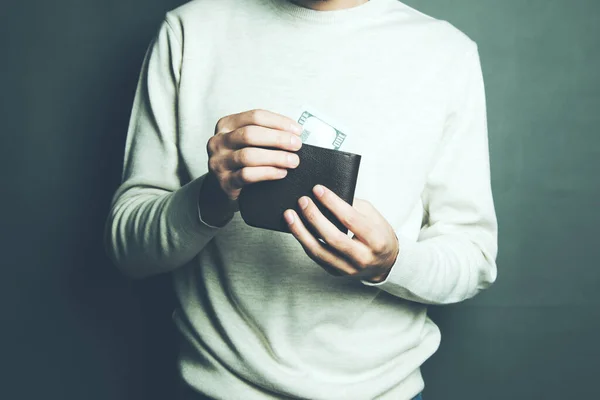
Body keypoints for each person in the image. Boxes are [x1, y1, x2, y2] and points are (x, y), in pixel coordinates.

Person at [104, 0, 498, 398]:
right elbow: (126, 249)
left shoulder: (446, 53)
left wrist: (391, 263)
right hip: (214, 389)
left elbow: (474, 258)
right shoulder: (190, 30)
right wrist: (210, 197)